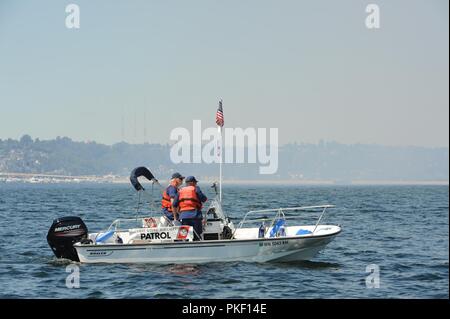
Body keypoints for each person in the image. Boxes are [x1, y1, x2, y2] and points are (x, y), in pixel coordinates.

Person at [173, 176, 207, 240]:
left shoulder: (180, 191)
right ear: (192, 183)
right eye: (195, 182)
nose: (196, 184)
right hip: (195, 216)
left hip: (184, 217)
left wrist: (175, 217)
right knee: (197, 235)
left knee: (186, 236)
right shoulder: (196, 188)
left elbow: (174, 204)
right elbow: (204, 199)